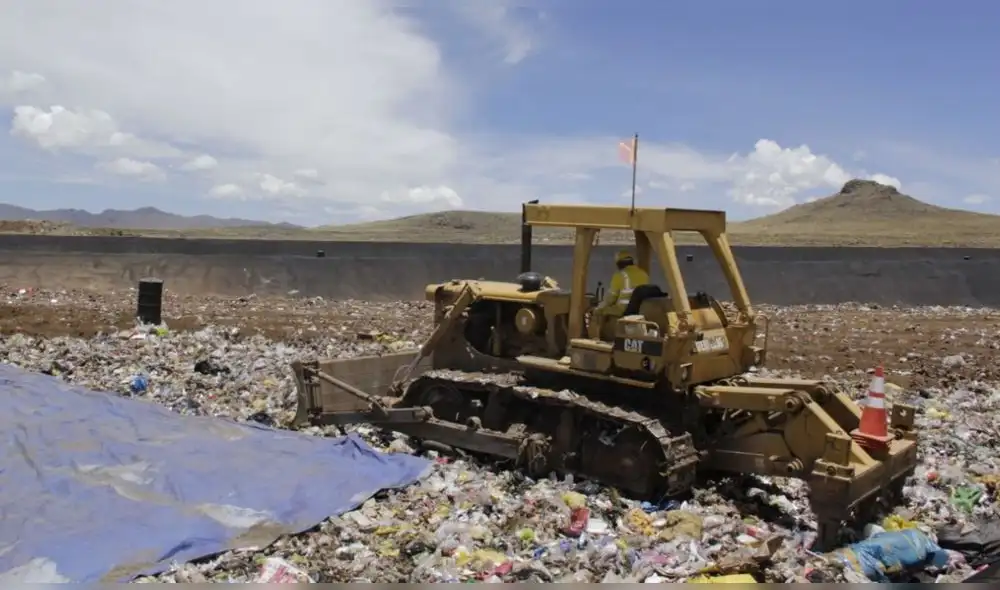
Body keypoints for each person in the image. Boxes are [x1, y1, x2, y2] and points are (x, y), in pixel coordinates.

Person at [589, 250, 650, 338]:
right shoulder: (644, 274)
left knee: (599, 312)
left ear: (619, 264)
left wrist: (598, 308)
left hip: (623, 310)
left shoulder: (620, 275)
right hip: (640, 310)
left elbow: (610, 298)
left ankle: (597, 339)